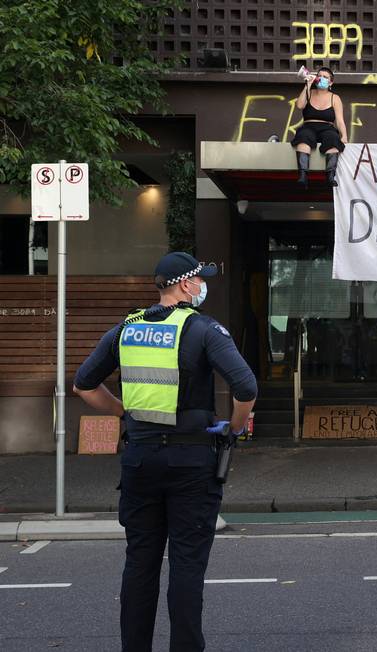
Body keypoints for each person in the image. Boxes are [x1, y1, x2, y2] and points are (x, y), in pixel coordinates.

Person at [73, 252, 257, 652]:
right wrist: (236, 428)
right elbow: (246, 387)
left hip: (140, 460)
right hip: (191, 462)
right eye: (200, 280)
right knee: (187, 566)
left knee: (140, 563)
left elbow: (83, 385)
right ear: (187, 286)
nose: (204, 286)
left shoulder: (127, 328)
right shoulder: (203, 329)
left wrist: (127, 413)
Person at [292, 66, 348, 187]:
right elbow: (300, 105)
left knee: (333, 139)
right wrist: (307, 85)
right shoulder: (309, 92)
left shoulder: (335, 98)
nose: (321, 78)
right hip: (309, 126)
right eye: (319, 76)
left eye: (325, 77)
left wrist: (344, 136)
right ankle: (303, 175)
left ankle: (330, 176)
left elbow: (339, 120)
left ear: (330, 82)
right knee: (303, 137)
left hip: (327, 127)